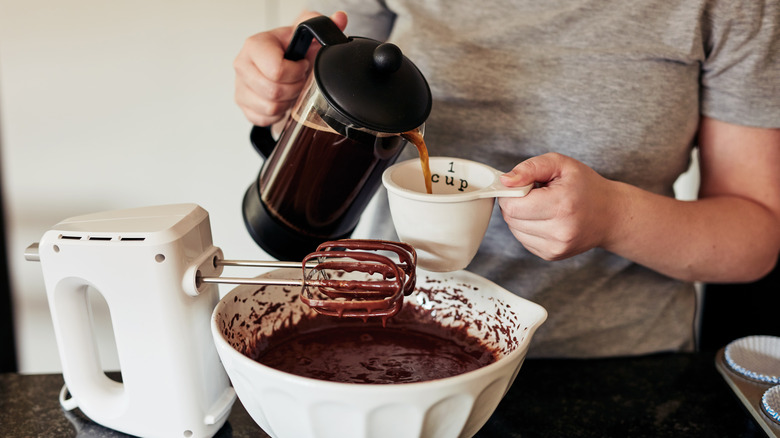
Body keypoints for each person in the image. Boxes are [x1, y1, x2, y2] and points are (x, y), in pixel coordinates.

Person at [233, 1, 780, 358]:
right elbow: (336, 105)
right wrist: (282, 92)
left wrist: (615, 217)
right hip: (391, 335)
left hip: (609, 367)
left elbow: (755, 234)